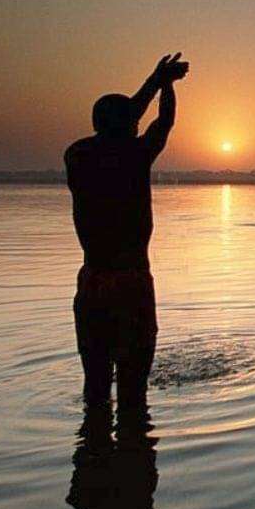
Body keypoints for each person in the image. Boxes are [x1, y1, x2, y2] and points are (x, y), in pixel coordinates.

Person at [66, 53, 189, 408]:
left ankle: (95, 455)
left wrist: (153, 80)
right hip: (131, 283)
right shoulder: (136, 155)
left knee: (96, 387)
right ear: (127, 125)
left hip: (92, 282)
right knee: (134, 392)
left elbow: (123, 119)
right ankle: (132, 456)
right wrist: (164, 85)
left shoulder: (77, 155)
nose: (137, 123)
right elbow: (163, 122)